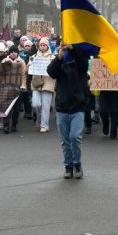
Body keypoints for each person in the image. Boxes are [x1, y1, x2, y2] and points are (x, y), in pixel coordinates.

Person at [47, 44, 90, 180]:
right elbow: (51, 72)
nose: (65, 52)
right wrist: (58, 58)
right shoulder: (60, 64)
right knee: (65, 141)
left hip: (78, 107)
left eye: (66, 50)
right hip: (62, 107)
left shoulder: (80, 64)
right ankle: (68, 166)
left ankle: (77, 164)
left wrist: (72, 48)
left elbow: (83, 61)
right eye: (63, 49)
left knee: (75, 137)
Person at [29, 37, 56, 133]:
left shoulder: (52, 57)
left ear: (47, 46)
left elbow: (55, 69)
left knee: (46, 106)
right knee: (36, 103)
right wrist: (30, 63)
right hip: (37, 83)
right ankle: (39, 116)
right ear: (39, 46)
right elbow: (30, 67)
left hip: (48, 83)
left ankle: (44, 125)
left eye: (44, 45)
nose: (42, 47)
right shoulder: (34, 56)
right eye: (41, 45)